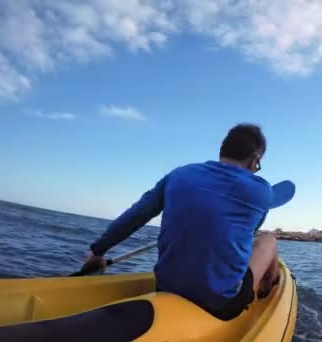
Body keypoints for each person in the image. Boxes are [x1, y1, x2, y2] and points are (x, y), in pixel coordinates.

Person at [82, 124, 287, 320]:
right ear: (255, 160)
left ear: (222, 150)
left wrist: (98, 251)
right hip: (221, 305)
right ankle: (269, 286)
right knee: (268, 239)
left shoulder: (179, 175)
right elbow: (255, 225)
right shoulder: (261, 190)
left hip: (165, 290)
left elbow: (136, 215)